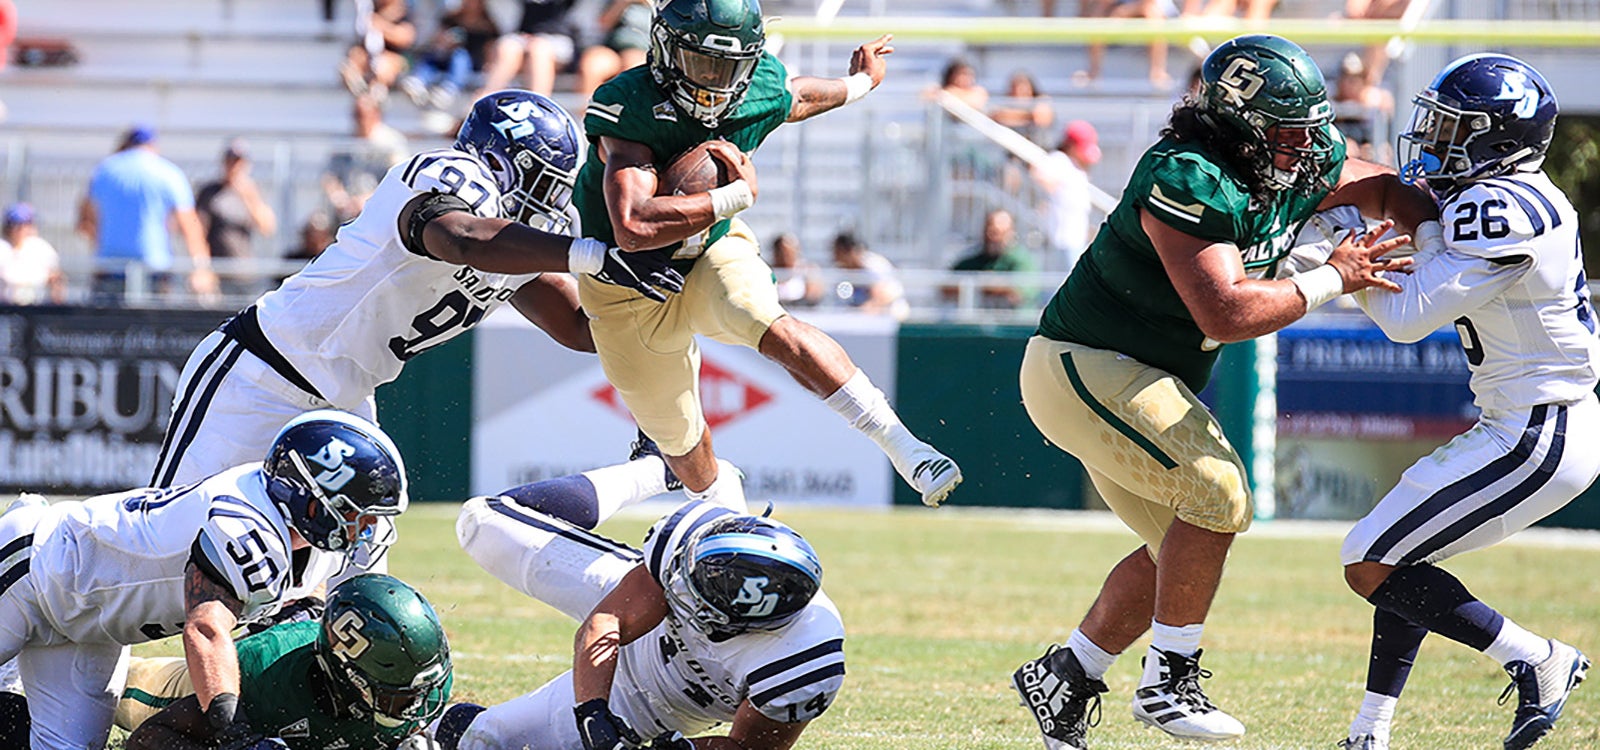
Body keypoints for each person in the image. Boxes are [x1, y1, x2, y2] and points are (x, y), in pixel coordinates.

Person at [1010, 35, 1437, 749]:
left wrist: (1449, 244)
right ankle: (1168, 679)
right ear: (1239, 124)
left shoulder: (1291, 157)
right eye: (1289, 131)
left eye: (1311, 127)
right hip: (1083, 364)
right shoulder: (1187, 174)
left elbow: (1385, 188)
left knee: (1175, 551)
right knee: (1219, 492)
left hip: (1140, 374)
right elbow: (1226, 313)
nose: (1308, 146)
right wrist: (1331, 275)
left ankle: (1067, 674)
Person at [146, 91, 680, 513]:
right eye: (541, 183)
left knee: (342, 578)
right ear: (501, 162)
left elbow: (580, 328)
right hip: (264, 370)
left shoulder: (521, 241)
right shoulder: (444, 175)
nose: (548, 204)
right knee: (163, 538)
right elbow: (462, 238)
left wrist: (668, 304)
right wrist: (591, 254)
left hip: (347, 400)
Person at [573, 0, 962, 509]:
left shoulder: (757, 86)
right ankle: (724, 506)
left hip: (709, 251)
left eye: (730, 68)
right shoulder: (631, 101)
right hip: (626, 282)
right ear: (666, 50)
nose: (714, 81)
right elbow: (633, 226)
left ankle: (904, 445)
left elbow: (795, 98)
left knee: (766, 320)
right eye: (702, 63)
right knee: (681, 440)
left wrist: (862, 83)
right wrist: (731, 198)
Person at [1337, 54, 1596, 750]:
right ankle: (1369, 733)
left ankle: (1537, 658)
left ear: (1497, 139)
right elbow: (1406, 202)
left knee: (1369, 559)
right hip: (1523, 421)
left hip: (1539, 430)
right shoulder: (1493, 192)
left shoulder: (1503, 205)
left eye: (1451, 128)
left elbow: (1405, 317)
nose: (1430, 140)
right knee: (1397, 559)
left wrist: (1344, 255)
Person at [0, 410, 408, 750]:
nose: (368, 529)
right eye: (359, 514)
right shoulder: (246, 524)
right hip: (34, 567)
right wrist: (236, 732)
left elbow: (302, 601)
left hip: (93, 628)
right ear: (312, 501)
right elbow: (206, 628)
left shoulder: (308, 544)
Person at [439, 482, 845, 750]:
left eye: (700, 591)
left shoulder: (802, 665)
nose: (681, 587)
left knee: (485, 739)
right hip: (630, 598)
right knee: (482, 523)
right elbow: (609, 621)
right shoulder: (697, 540)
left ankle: (439, 722)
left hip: (664, 702)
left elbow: (745, 747)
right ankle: (654, 470)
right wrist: (592, 713)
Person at [118, 574, 452, 750]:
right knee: (114, 689)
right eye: (399, 697)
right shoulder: (262, 675)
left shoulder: (422, 682)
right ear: (347, 677)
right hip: (189, 687)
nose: (416, 707)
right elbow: (149, 738)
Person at [77, 124, 217, 303]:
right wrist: (201, 269)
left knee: (108, 328)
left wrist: (102, 245)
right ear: (153, 145)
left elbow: (85, 221)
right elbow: (190, 226)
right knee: (153, 328)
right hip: (154, 268)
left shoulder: (104, 171)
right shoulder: (168, 173)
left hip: (109, 268)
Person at [195, 139, 279, 298]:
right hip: (218, 270)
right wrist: (202, 268)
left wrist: (247, 196)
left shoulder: (252, 191)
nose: (234, 167)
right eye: (231, 162)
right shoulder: (210, 192)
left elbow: (267, 227)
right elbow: (199, 231)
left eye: (239, 162)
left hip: (244, 272)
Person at [1033, 120, 1102, 271]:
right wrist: (1054, 188)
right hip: (1061, 238)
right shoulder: (1059, 159)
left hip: (1076, 237)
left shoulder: (1075, 166)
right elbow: (1039, 174)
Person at [477, 0, 580, 98]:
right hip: (523, 37)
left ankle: (540, 104)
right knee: (508, 47)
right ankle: (486, 97)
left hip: (557, 40)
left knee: (539, 49)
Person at [942, 208, 1036, 309]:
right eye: (988, 231)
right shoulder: (973, 260)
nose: (991, 237)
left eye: (997, 232)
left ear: (1010, 233)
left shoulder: (1021, 261)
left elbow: (1020, 293)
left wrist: (993, 285)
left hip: (1013, 322)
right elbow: (947, 287)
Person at [339, 0, 416, 100]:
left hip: (397, 59)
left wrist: (383, 27)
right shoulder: (370, 9)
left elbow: (406, 38)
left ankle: (377, 92)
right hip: (370, 56)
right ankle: (358, 87)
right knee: (354, 58)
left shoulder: (404, 11)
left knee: (384, 66)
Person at [576, 0, 653, 97]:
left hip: (641, 50)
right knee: (592, 64)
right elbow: (602, 24)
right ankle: (586, 110)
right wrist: (621, 4)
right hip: (611, 48)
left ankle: (626, 110)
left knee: (633, 65)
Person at [0, 202, 64, 305]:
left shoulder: (40, 247)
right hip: (5, 308)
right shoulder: (3, 248)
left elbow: (55, 277)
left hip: (36, 308)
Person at [830, 230, 906, 317]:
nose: (835, 256)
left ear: (848, 251)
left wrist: (863, 311)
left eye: (838, 252)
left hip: (889, 312)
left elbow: (884, 295)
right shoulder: (843, 270)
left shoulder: (873, 264)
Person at [769, 232, 822, 308]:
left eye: (788, 253)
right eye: (781, 252)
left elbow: (813, 295)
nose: (785, 257)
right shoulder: (768, 271)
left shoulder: (808, 270)